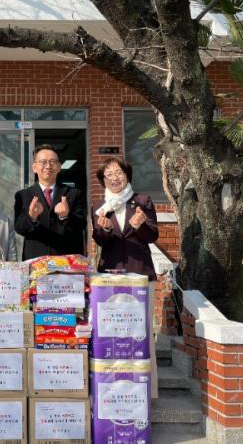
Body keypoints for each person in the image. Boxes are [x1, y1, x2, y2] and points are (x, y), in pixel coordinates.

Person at [91, 156, 159, 398]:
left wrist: (140, 225)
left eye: (118, 172)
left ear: (127, 175)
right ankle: (113, 389)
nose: (114, 177)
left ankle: (148, 391)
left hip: (140, 273)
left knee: (141, 332)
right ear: (103, 180)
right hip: (110, 276)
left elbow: (152, 236)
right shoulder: (99, 206)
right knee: (111, 331)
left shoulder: (142, 201)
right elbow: (100, 241)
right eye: (108, 174)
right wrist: (105, 229)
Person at [14, 144, 86, 260]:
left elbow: (81, 226)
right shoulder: (23, 195)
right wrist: (31, 217)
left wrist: (65, 216)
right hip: (36, 260)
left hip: (67, 260)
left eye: (52, 162)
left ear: (59, 167)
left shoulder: (74, 193)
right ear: (34, 167)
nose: (48, 166)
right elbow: (19, 228)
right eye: (43, 162)